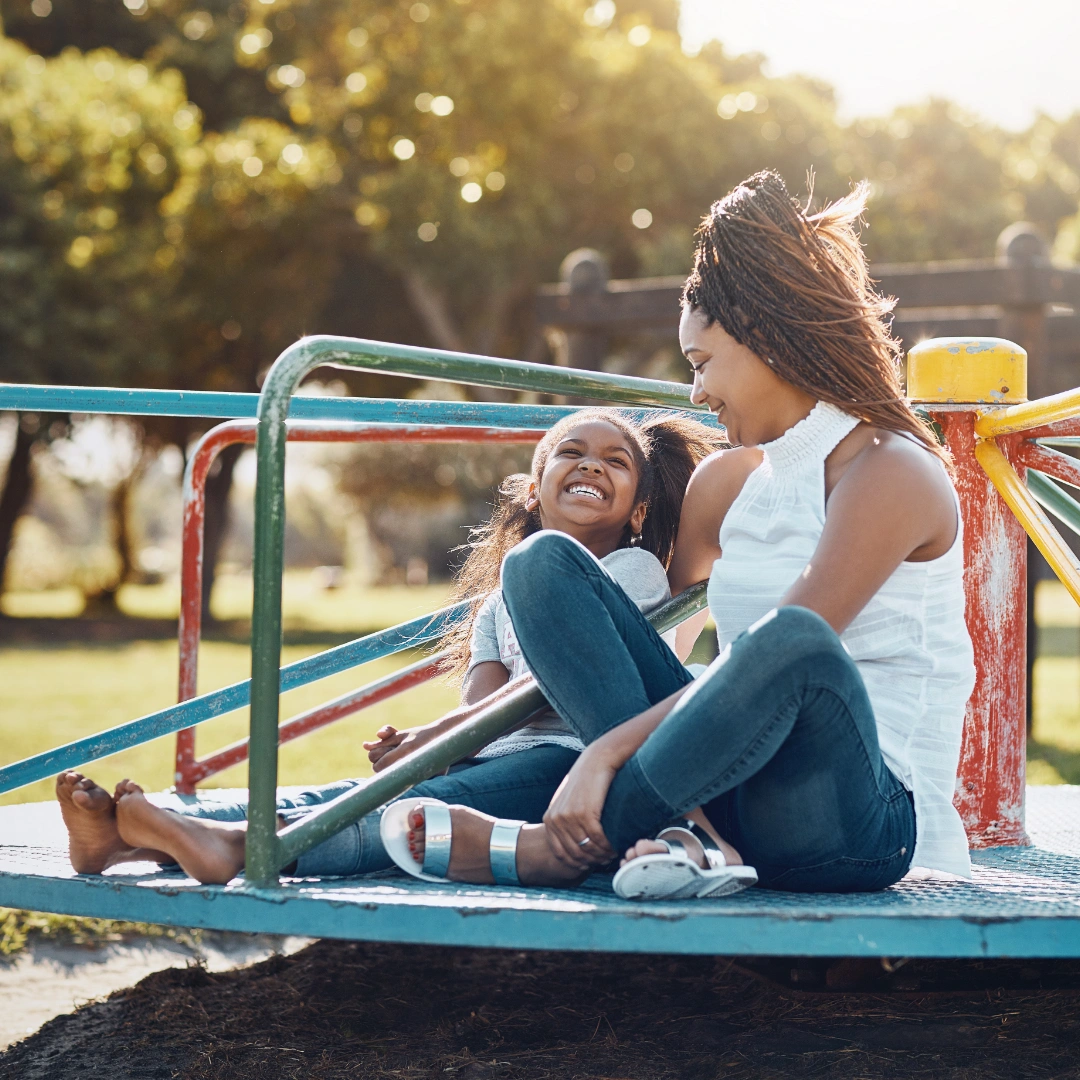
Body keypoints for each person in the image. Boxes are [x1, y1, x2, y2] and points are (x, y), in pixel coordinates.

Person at [385, 170, 977, 898]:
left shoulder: (890, 471)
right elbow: (645, 658)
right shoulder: (731, 485)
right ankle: (687, 829)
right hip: (732, 791)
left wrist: (603, 754)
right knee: (543, 563)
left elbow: (773, 656)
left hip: (852, 822)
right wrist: (474, 729)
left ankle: (556, 846)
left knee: (791, 641)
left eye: (702, 365)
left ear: (766, 339)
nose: (695, 393)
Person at [55, 408, 722, 884]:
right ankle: (120, 839)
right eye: (572, 453)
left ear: (637, 509)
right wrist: (432, 751)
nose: (591, 467)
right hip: (502, 758)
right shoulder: (495, 603)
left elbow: (556, 684)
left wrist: (433, 738)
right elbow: (485, 708)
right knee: (348, 792)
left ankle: (237, 849)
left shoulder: (633, 574)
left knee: (398, 811)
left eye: (615, 462)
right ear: (531, 488)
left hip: (569, 765)